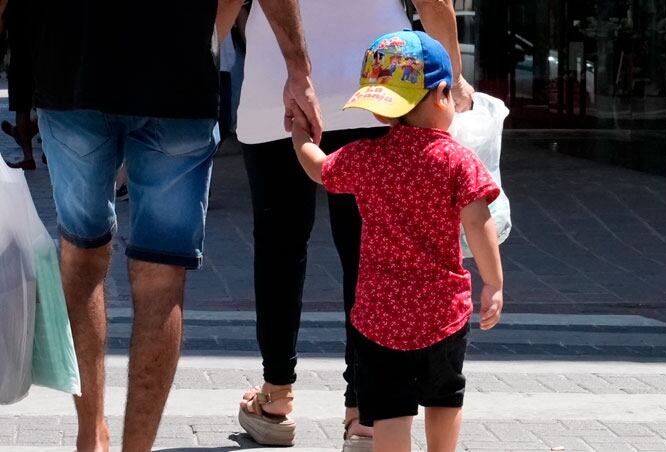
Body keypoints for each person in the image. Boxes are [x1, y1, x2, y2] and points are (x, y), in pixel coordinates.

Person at [32, 0, 321, 450]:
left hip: (71, 70)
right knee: (160, 276)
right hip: (177, 78)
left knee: (82, 254)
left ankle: (90, 435)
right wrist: (297, 68)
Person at [224, 0, 475, 447]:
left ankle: (277, 396)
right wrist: (451, 82)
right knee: (371, 251)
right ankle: (364, 415)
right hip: (384, 85)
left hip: (277, 80)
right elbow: (434, 3)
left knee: (279, 247)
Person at [290, 30, 504, 452]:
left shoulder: (367, 158)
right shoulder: (457, 160)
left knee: (389, 411)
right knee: (444, 398)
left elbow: (318, 169)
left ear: (382, 110)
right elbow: (479, 221)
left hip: (379, 313)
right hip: (442, 310)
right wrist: (493, 282)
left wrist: (300, 133)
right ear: (442, 95)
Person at [1, 0, 39, 170]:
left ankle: (27, 154)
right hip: (44, 58)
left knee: (22, 108)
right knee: (50, 107)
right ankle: (26, 135)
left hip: (21, 58)